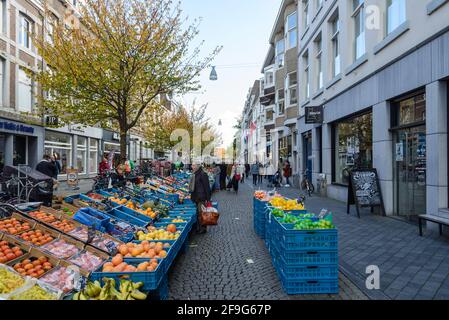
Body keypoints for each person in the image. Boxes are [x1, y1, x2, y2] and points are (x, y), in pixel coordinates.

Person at [189, 162, 212, 234]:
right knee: (198, 213)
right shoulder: (195, 174)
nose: (192, 166)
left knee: (201, 213)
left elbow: (207, 187)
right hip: (196, 196)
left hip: (201, 197)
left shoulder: (203, 174)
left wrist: (208, 199)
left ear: (197, 166)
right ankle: (199, 227)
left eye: (193, 165)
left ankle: (203, 228)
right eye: (192, 165)